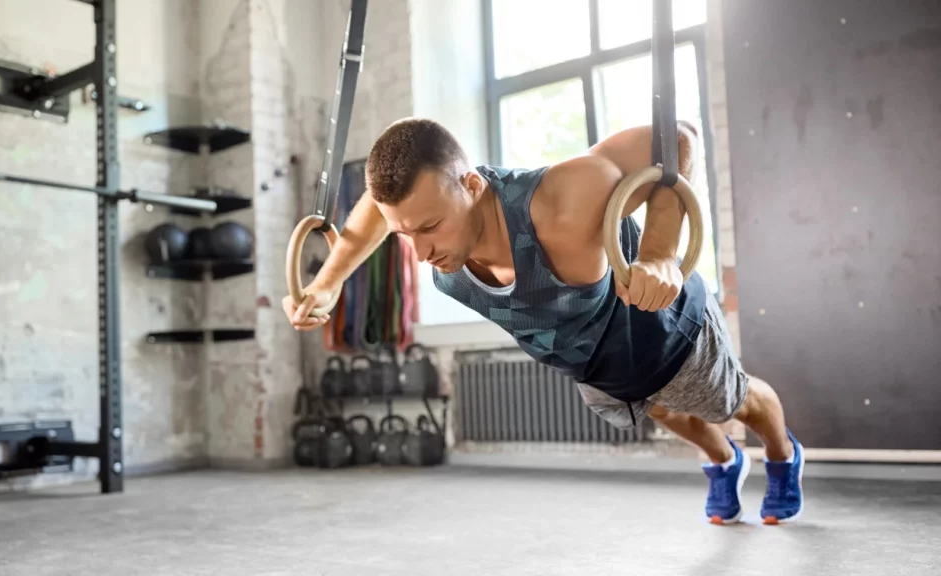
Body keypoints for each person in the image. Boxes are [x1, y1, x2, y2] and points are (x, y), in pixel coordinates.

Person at [282, 117, 804, 525]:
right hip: (596, 367)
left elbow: (680, 137)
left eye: (431, 228)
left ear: (471, 184)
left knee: (732, 400)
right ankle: (724, 462)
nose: (419, 252)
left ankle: (783, 456)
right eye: (405, 235)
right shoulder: (425, 217)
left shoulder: (562, 200)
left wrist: (661, 251)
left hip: (661, 327)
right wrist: (327, 282)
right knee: (662, 411)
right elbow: (380, 207)